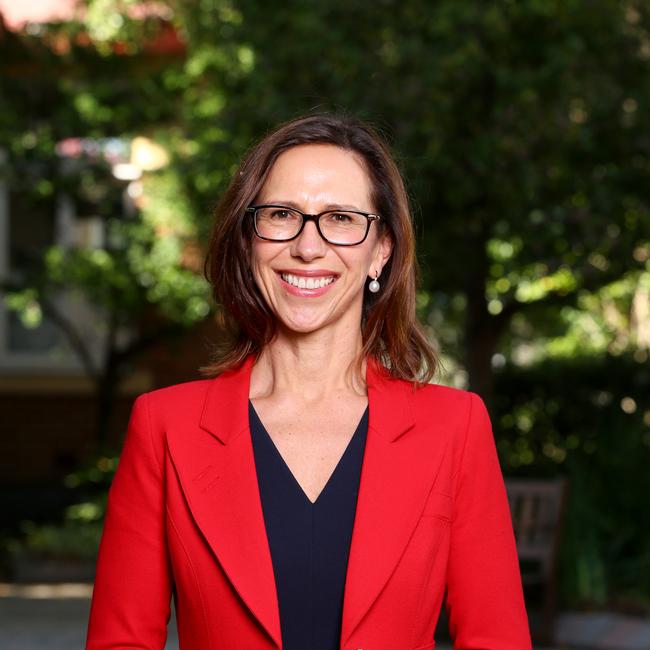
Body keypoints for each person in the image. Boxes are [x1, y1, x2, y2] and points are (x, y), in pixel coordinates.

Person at [85, 113, 532, 650]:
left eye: (341, 218)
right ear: (249, 237)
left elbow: (496, 639)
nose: (308, 247)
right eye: (281, 214)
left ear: (382, 250)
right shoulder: (165, 427)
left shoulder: (454, 426)